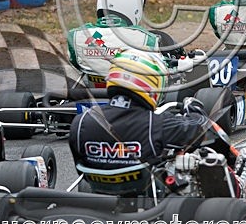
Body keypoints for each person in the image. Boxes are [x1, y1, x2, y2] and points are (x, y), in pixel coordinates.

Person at [69, 48, 209, 170]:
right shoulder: (156, 124)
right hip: (146, 195)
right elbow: (200, 128)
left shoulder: (81, 122)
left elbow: (82, 168)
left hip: (98, 193)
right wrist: (193, 106)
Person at [67, 0, 161, 87]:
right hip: (130, 99)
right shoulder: (147, 39)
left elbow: (75, 66)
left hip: (88, 99)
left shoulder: (76, 35)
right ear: (136, 6)